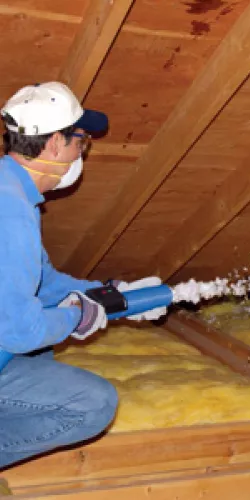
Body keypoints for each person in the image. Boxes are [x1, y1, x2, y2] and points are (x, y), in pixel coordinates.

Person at [0, 82, 166, 477]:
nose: (81, 152)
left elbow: (42, 282)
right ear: (55, 144)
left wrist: (111, 295)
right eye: (80, 141)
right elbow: (20, 331)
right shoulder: (11, 212)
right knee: (94, 404)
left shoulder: (12, 190)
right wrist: (77, 316)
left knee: (42, 352)